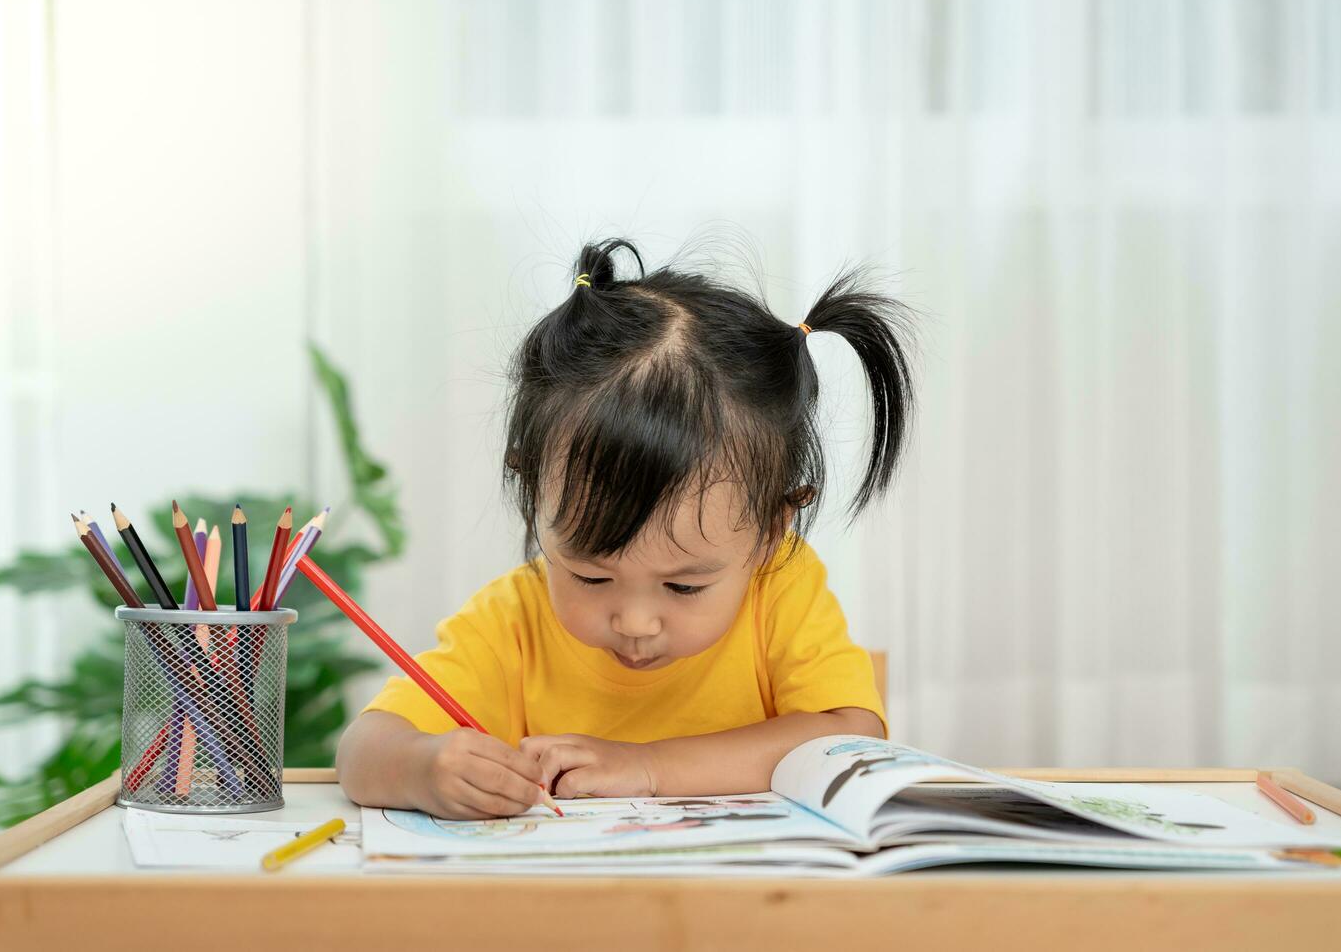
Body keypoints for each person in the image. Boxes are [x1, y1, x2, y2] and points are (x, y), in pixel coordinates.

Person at [338, 237, 916, 819]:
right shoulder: (514, 621)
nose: (635, 623)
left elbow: (849, 737)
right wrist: (423, 769)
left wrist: (647, 766)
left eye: (684, 587)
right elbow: (363, 752)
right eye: (590, 576)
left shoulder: (779, 590)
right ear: (537, 497)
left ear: (770, 532)